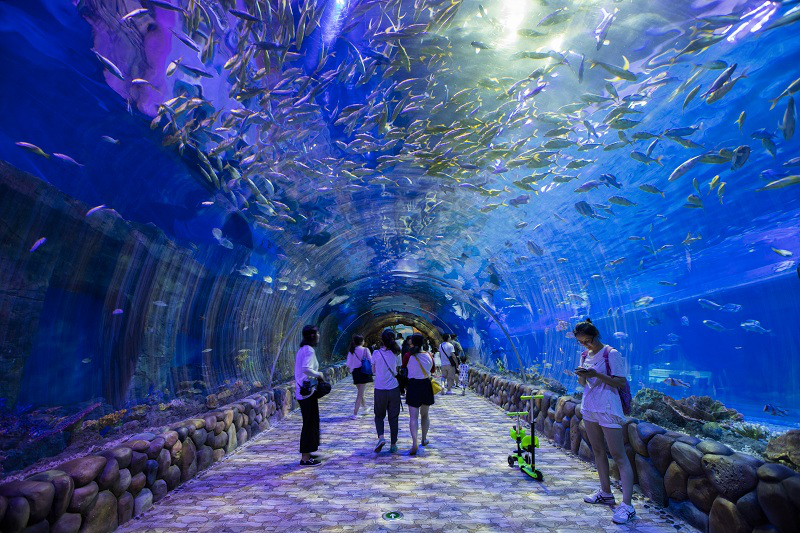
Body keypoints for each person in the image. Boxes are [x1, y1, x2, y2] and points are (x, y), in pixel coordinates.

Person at [573, 318, 636, 524]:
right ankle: (605, 492)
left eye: (588, 341)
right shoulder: (584, 355)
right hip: (590, 406)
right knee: (597, 451)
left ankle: (627, 505)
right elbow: (584, 384)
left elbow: (619, 381)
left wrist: (597, 374)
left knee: (618, 455)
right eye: (582, 342)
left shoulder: (611, 353)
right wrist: (582, 375)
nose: (586, 345)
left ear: (596, 335)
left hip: (608, 408)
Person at [294, 325, 326, 467]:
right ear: (313, 335)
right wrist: (319, 374)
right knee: (309, 424)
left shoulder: (302, 349)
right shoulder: (309, 350)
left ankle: (309, 452)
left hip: (303, 392)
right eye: (317, 333)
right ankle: (305, 458)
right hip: (307, 393)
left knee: (311, 422)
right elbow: (306, 368)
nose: (319, 336)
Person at [402, 333, 435, 455]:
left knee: (413, 417)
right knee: (425, 415)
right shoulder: (429, 355)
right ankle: (424, 439)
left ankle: (414, 442)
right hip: (426, 385)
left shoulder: (407, 356)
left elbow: (404, 367)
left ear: (411, 342)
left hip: (413, 386)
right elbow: (433, 370)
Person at [372, 329, 403, 453]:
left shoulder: (375, 353)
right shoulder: (396, 353)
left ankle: (381, 437)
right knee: (393, 417)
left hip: (380, 388)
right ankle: (393, 444)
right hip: (393, 389)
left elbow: (373, 371)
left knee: (379, 416)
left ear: (382, 339)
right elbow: (397, 369)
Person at [346, 334, 373, 419]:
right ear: (361, 342)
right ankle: (355, 413)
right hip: (363, 372)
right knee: (360, 394)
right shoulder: (365, 350)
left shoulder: (352, 351)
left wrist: (352, 370)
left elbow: (348, 363)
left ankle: (365, 408)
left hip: (355, 373)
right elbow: (371, 360)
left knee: (361, 392)